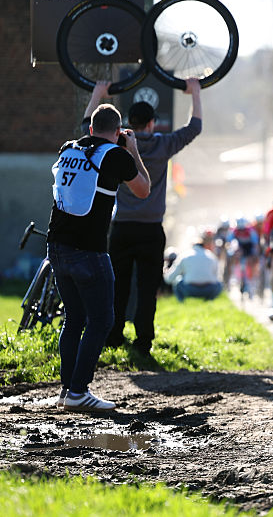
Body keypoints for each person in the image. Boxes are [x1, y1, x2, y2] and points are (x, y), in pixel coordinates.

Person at [50, 101, 151, 411]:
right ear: (119, 132)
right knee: (102, 319)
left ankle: (67, 391)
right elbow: (143, 190)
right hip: (90, 251)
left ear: (91, 129)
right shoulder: (117, 156)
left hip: (57, 247)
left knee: (75, 317)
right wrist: (132, 149)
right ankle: (79, 391)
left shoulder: (69, 149)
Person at [97, 78, 202, 356]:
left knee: (117, 286)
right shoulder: (164, 145)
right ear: (152, 123)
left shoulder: (117, 144)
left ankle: (114, 335)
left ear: (129, 122)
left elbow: (89, 128)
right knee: (147, 289)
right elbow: (195, 127)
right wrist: (196, 93)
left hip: (121, 227)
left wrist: (98, 93)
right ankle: (143, 341)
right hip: (151, 229)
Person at [165, 232, 222, 301]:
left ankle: (181, 303)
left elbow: (170, 278)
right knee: (219, 284)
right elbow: (217, 276)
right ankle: (209, 301)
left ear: (192, 245)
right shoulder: (211, 256)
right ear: (203, 245)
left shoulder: (184, 256)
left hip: (189, 289)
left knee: (177, 281)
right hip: (209, 289)